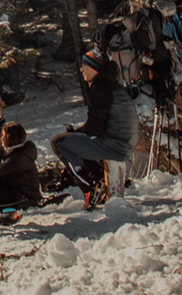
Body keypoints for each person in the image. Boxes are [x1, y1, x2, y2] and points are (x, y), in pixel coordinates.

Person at [50, 47, 136, 208]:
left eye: (85, 66)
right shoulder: (113, 85)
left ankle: (89, 186)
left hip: (114, 146)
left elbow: (95, 128)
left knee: (58, 142)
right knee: (77, 140)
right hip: (122, 143)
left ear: (95, 68)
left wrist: (75, 134)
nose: (81, 70)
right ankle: (99, 180)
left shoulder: (101, 88)